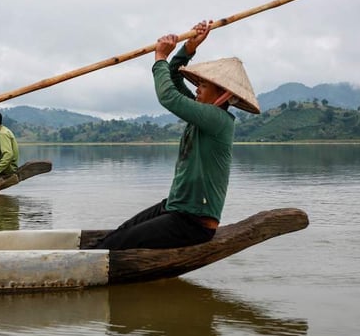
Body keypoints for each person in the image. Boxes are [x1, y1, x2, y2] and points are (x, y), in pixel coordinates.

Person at [94, 20, 260, 250]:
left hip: (193, 222)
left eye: (203, 85)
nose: (197, 89)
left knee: (116, 245)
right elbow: (173, 77)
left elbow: (168, 96)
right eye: (198, 84)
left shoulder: (217, 120)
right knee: (118, 236)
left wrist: (160, 57)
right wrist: (189, 48)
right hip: (176, 208)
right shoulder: (203, 112)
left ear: (222, 95)